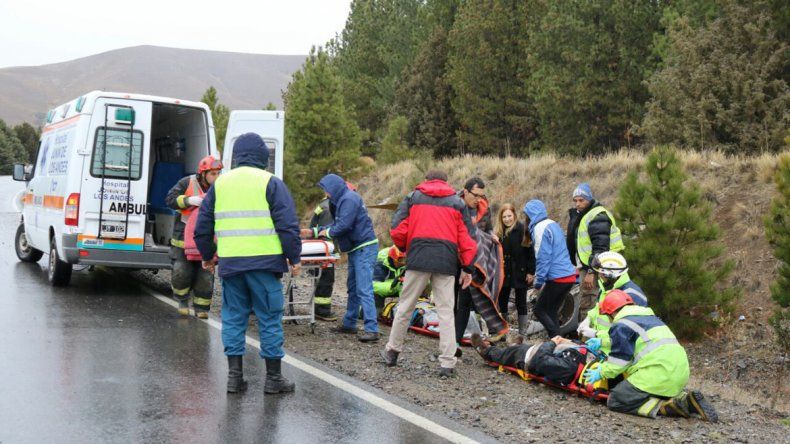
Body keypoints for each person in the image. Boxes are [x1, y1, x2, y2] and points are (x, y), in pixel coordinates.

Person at [194, 133, 302, 395]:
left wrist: (208, 255)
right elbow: (287, 225)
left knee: (233, 318)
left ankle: (234, 378)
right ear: (263, 157)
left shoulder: (220, 185)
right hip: (265, 265)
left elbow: (202, 226)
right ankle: (273, 379)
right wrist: (294, 257)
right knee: (269, 319)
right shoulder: (271, 182)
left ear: (237, 156)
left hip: (231, 266)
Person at [382, 170, 477, 378]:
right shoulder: (457, 203)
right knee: (446, 312)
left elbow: (397, 229)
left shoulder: (413, 197)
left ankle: (392, 351)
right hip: (446, 260)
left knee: (405, 306)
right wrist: (467, 267)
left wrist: (405, 247)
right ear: (446, 182)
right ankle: (447, 363)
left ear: (426, 180)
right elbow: (468, 238)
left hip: (418, 258)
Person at [583, 290, 718, 422]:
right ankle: (685, 399)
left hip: (657, 375)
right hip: (680, 374)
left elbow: (620, 361)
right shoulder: (650, 319)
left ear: (611, 313)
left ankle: (667, 407)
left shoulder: (621, 324)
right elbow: (634, 339)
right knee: (658, 388)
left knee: (616, 399)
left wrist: (602, 372)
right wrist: (602, 341)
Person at [302, 174, 380, 343]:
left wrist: (327, 232)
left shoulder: (349, 199)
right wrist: (314, 232)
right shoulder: (342, 199)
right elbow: (338, 223)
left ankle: (372, 329)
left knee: (364, 289)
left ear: (334, 188)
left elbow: (344, 225)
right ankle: (349, 324)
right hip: (356, 248)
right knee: (353, 288)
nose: (326, 194)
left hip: (365, 248)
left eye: (327, 190)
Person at [165, 155, 223, 318]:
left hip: (207, 240)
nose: (216, 177)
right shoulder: (187, 182)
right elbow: (170, 199)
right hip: (183, 241)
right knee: (181, 272)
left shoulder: (221, 188)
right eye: (213, 174)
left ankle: (201, 308)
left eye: (218, 173)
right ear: (203, 173)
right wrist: (189, 200)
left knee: (205, 277)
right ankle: (182, 301)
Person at [566, 183, 625, 320]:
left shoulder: (597, 216)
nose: (577, 204)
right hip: (591, 265)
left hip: (600, 266)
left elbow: (600, 247)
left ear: (589, 199)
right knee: (589, 301)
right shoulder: (584, 215)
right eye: (575, 200)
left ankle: (590, 331)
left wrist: (591, 272)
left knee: (590, 301)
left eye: (581, 200)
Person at [523, 199, 577, 338]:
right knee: (551, 311)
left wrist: (538, 282)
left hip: (558, 277)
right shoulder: (552, 223)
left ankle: (556, 339)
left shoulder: (539, 228)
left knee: (539, 310)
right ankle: (558, 341)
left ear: (530, 215)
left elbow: (543, 257)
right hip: (568, 275)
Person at [577, 252, 647, 352]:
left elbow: (626, 334)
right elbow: (599, 308)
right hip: (604, 346)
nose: (599, 276)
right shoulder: (607, 287)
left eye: (601, 273)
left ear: (610, 275)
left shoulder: (631, 296)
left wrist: (596, 334)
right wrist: (588, 319)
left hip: (619, 350)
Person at [455, 177, 494, 349]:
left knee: (465, 302)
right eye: (475, 195)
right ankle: (449, 339)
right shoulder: (454, 204)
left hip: (472, 262)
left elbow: (488, 228)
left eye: (481, 196)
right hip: (452, 259)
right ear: (465, 191)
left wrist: (492, 236)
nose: (478, 199)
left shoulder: (484, 209)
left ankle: (456, 341)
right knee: (449, 300)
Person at [471, 334, 590, 387]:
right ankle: (514, 346)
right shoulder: (584, 357)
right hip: (536, 350)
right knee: (518, 348)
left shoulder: (568, 367)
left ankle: (486, 351)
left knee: (506, 354)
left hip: (529, 358)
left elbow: (541, 361)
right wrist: (567, 341)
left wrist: (552, 343)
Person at [495, 203, 535, 336]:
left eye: (509, 216)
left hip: (520, 270)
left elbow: (530, 253)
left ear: (514, 215)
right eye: (504, 217)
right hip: (504, 271)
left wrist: (531, 272)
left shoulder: (523, 229)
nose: (507, 219)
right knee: (502, 301)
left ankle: (522, 333)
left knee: (521, 302)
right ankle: (503, 331)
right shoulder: (499, 232)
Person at [308, 196, 337, 321]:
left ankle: (319, 309)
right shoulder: (329, 208)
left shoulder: (324, 204)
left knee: (322, 279)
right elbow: (326, 234)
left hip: (317, 247)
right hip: (324, 250)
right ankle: (322, 310)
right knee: (326, 279)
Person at [373, 245, 407, 315]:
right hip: (386, 289)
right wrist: (393, 285)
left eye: (405, 260)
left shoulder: (409, 262)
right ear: (392, 258)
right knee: (374, 314)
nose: (403, 263)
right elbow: (373, 285)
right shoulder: (381, 264)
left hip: (401, 288)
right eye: (400, 260)